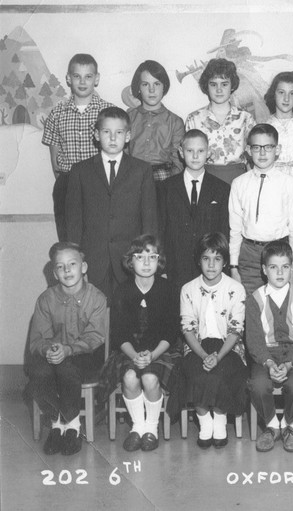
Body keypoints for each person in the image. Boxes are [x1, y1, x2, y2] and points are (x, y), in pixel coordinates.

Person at [65, 106, 158, 303]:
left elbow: (149, 220)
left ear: (128, 136)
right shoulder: (80, 171)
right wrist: (77, 261)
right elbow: (74, 222)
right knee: (93, 312)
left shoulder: (141, 170)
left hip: (129, 260)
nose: (113, 138)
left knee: (128, 314)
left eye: (119, 132)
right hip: (92, 260)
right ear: (96, 135)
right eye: (107, 132)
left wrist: (146, 260)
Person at [99, 235, 179, 452]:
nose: (146, 262)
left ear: (159, 261)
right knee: (130, 377)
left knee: (150, 378)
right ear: (130, 261)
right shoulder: (122, 291)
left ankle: (151, 428)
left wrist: (152, 355)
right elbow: (119, 334)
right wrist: (135, 356)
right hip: (129, 351)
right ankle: (138, 426)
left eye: (152, 257)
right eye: (140, 257)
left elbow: (171, 332)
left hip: (161, 350)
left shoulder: (168, 289)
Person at [26, 242, 107, 455]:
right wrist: (50, 350)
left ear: (84, 267)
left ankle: (72, 425)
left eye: (72, 264)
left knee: (66, 369)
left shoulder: (97, 297)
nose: (67, 270)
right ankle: (57, 424)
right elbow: (38, 339)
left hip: (85, 356)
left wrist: (69, 350)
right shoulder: (46, 299)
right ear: (54, 273)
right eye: (60, 267)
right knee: (38, 372)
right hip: (55, 355)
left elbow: (95, 336)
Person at [179, 233, 247, 449]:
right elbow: (188, 329)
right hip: (197, 347)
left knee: (222, 373)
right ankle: (204, 421)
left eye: (217, 259)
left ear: (225, 262)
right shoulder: (188, 289)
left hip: (228, 347)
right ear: (198, 260)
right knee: (197, 374)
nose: (211, 265)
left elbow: (236, 330)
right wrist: (203, 355)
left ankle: (219, 420)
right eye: (206, 258)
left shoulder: (236, 289)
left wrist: (217, 356)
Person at [246, 240, 293, 453]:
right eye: (273, 267)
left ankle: (288, 424)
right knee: (258, 384)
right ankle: (271, 425)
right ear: (264, 269)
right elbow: (254, 341)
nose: (280, 272)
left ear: (291, 268)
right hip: (265, 353)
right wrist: (267, 362)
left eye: (285, 267)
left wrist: (289, 363)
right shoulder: (254, 300)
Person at [42, 53, 113, 241]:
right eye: (77, 76)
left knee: (99, 237)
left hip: (100, 183)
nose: (82, 82)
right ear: (68, 78)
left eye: (88, 76)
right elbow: (55, 157)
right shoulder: (57, 113)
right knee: (69, 238)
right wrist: (65, 181)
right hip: (67, 182)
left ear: (96, 79)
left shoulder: (108, 112)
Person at [229, 124, 293, 295]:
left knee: (280, 304)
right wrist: (233, 266)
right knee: (249, 304)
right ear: (248, 150)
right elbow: (235, 228)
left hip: (280, 254)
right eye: (256, 147)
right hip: (249, 256)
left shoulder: (289, 183)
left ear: (277, 150)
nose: (262, 153)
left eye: (268, 147)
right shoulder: (239, 183)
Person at [158, 129, 230, 294]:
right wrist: (162, 268)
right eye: (190, 151)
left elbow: (224, 230)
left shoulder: (222, 189)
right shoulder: (166, 187)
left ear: (208, 153)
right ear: (181, 152)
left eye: (201, 151)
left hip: (209, 267)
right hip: (176, 266)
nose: (195, 156)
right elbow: (160, 229)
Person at [185, 58, 256, 185]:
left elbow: (253, 156)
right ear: (206, 86)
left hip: (238, 179)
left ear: (232, 86)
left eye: (224, 84)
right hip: (205, 179)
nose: (219, 89)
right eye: (213, 84)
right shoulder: (194, 118)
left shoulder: (245, 118)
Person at [127, 60, 185, 186]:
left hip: (164, 179)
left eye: (157, 84)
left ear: (164, 86)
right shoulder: (128, 118)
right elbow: (122, 154)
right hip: (133, 177)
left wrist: (171, 185)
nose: (151, 89)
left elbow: (178, 161)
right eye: (145, 84)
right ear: (138, 88)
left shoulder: (175, 122)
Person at [265, 71, 293, 185]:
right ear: (273, 94)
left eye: (292, 93)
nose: (286, 99)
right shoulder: (265, 126)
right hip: (271, 181)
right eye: (281, 92)